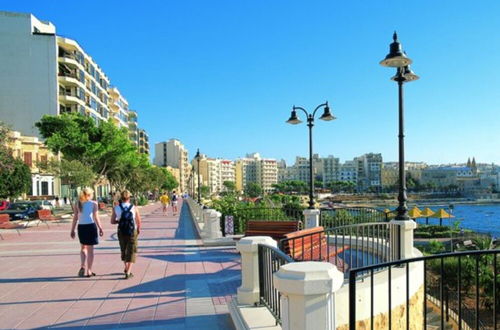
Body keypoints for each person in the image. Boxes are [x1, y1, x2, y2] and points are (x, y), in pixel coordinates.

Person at [70, 188, 104, 277]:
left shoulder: (77, 204)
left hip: (81, 227)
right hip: (90, 227)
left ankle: (82, 266)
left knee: (83, 248)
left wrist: (72, 230)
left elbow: (75, 218)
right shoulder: (93, 204)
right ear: (89, 195)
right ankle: (89, 270)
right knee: (90, 251)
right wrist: (100, 228)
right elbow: (96, 217)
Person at [110, 190, 142, 279]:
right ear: (129, 197)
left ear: (121, 197)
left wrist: (119, 221)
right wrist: (138, 229)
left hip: (121, 231)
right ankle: (128, 272)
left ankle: (126, 267)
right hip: (132, 231)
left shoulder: (116, 208)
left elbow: (112, 221)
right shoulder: (134, 207)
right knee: (132, 250)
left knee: (123, 249)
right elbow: (138, 221)